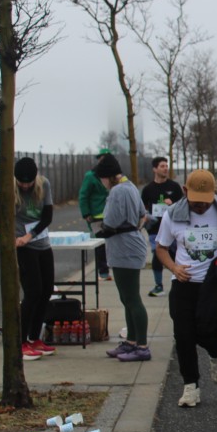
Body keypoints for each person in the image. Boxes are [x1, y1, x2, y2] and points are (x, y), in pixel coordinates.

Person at [155, 169, 217, 407]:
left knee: (207, 332)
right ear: (185, 191)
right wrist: (174, 268)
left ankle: (216, 352)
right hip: (184, 282)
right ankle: (190, 387)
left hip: (213, 283)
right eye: (196, 202)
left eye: (206, 202)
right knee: (183, 336)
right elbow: (161, 248)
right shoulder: (173, 215)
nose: (201, 207)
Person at [0, 157, 56, 361]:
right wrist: (7, 234)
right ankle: (21, 341)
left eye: (29, 182)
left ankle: (35, 338)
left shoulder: (44, 184)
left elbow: (47, 217)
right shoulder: (7, 187)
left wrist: (30, 235)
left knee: (46, 290)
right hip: (23, 247)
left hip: (41, 243)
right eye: (21, 182)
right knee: (33, 292)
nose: (25, 186)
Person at [93, 154, 151, 361]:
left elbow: (111, 220)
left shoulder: (117, 191)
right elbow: (143, 214)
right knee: (127, 298)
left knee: (132, 298)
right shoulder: (131, 186)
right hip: (130, 246)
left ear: (108, 176)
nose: (102, 183)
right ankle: (131, 341)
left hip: (124, 249)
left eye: (102, 179)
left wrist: (101, 226)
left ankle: (142, 346)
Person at [140, 156, 184, 297]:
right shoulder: (148, 189)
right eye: (162, 166)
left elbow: (183, 206)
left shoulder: (174, 187)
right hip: (155, 229)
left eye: (166, 166)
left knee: (175, 255)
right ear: (155, 169)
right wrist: (145, 218)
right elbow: (142, 209)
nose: (165, 168)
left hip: (173, 229)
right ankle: (158, 286)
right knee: (157, 255)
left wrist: (172, 205)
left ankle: (179, 281)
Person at [79, 147, 112, 280]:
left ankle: (109, 269)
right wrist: (86, 213)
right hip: (96, 216)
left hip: (110, 214)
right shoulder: (90, 176)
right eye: (102, 159)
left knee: (111, 243)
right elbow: (83, 196)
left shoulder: (112, 175)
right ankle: (103, 272)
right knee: (100, 244)